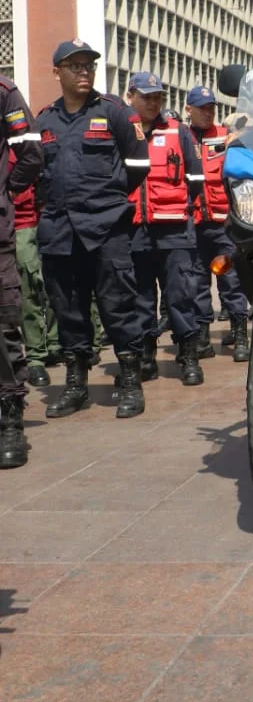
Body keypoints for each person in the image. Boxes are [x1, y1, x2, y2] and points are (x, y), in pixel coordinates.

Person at [35, 40, 148, 420]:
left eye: (88, 65)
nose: (84, 71)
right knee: (68, 310)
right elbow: (38, 178)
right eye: (74, 65)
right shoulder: (44, 120)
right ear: (58, 72)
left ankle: (130, 382)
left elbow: (137, 166)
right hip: (60, 230)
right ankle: (76, 385)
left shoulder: (115, 111)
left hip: (106, 227)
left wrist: (107, 199)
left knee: (118, 305)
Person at [127, 73, 205, 385]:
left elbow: (196, 179)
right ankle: (146, 356)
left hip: (175, 229)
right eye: (145, 96)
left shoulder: (178, 132)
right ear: (131, 95)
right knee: (141, 298)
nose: (152, 101)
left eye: (157, 96)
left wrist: (177, 207)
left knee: (181, 295)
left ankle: (188, 355)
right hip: (135, 230)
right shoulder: (123, 131)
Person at [185, 85, 250, 362]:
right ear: (189, 110)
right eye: (201, 108)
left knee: (230, 279)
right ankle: (202, 336)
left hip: (224, 222)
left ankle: (240, 333)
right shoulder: (180, 137)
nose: (207, 113)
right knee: (197, 282)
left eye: (211, 107)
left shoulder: (225, 137)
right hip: (193, 222)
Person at [0, 77, 43, 468]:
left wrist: (6, 191)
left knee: (2, 324)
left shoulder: (3, 91)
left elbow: (31, 153)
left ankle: (10, 419)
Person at [11, 151, 61, 389]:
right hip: (16, 225)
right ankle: (32, 356)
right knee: (23, 292)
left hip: (32, 222)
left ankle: (43, 351)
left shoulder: (24, 143)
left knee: (40, 288)